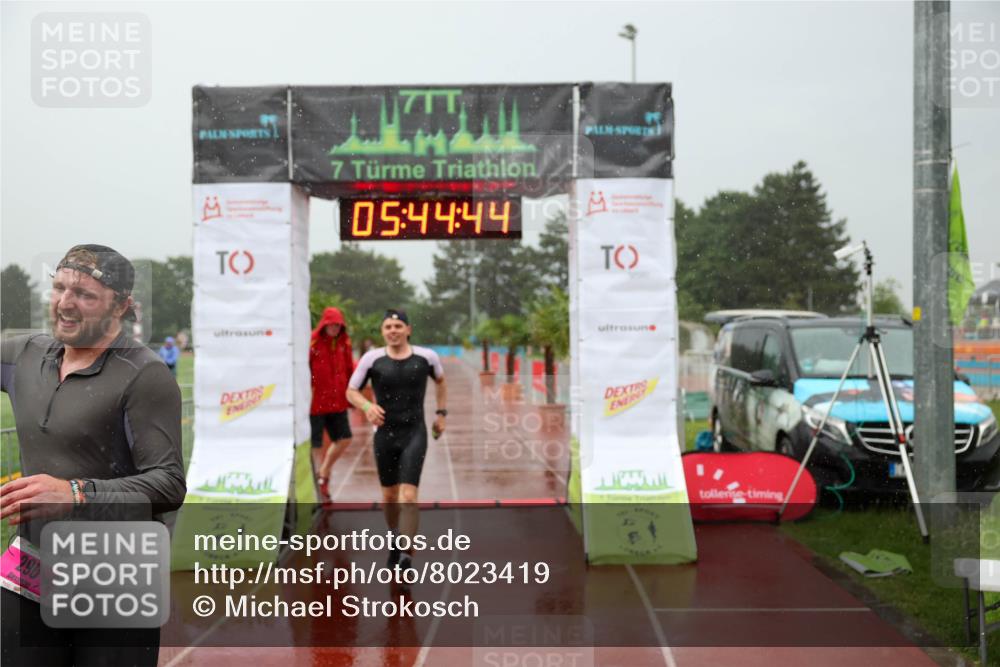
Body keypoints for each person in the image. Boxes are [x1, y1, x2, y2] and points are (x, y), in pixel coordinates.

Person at [0, 244, 186, 666]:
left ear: (121, 306)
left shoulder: (144, 374)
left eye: (84, 294)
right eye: (59, 288)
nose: (65, 303)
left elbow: (169, 484)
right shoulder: (25, 355)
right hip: (31, 569)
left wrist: (75, 493)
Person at [347, 309, 446, 570]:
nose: (393, 331)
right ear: (382, 331)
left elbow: (441, 381)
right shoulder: (372, 359)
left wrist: (441, 414)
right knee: (390, 497)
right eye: (388, 327)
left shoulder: (427, 357)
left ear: (408, 330)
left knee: (409, 496)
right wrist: (367, 406)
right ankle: (394, 536)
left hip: (414, 433)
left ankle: (406, 554)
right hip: (385, 435)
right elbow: (351, 391)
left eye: (398, 326)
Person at [310, 307, 355, 499]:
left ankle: (324, 471)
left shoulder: (344, 342)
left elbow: (349, 368)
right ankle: (314, 485)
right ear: (324, 324)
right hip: (315, 404)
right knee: (314, 445)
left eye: (338, 325)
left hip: (337, 402)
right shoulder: (312, 342)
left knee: (344, 439)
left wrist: (352, 396)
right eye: (332, 324)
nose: (335, 328)